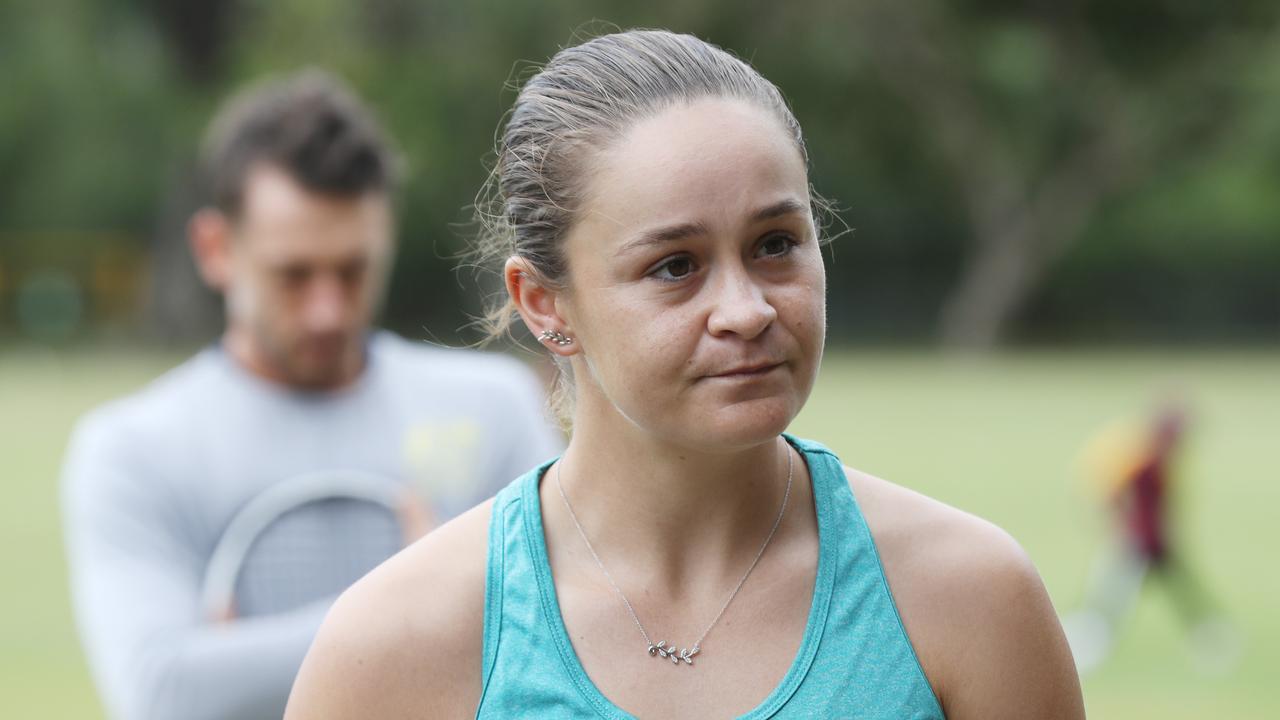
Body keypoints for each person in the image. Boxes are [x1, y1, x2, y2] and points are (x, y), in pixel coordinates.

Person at [286, 31, 1084, 719]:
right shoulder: (398, 644)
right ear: (542, 304)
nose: (746, 309)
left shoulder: (967, 598)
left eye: (776, 245)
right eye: (675, 266)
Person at [60, 70, 562, 720]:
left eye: (353, 270)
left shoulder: (495, 406)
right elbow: (164, 692)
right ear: (215, 249)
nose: (327, 310)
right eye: (293, 275)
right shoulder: (132, 447)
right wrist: (436, 598)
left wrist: (245, 654)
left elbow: (565, 639)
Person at [1063, 401, 1238, 674]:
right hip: (1138, 545)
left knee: (1176, 595)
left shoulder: (1159, 460)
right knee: (1112, 601)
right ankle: (1082, 644)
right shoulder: (1144, 462)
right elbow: (1115, 496)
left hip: (1152, 544)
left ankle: (1210, 636)